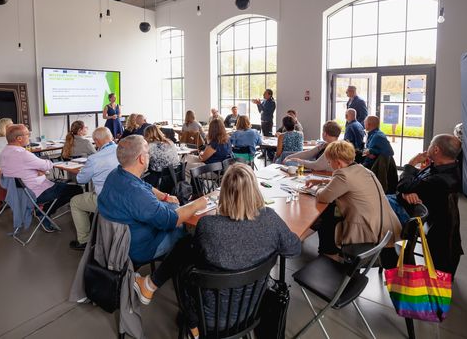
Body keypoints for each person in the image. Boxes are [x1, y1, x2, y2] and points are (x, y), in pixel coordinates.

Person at [134, 163, 301, 338]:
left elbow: (197, 260)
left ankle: (169, 302)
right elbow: (294, 249)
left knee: (184, 256)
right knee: (187, 252)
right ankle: (152, 286)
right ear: (255, 190)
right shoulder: (270, 219)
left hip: (208, 318)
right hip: (252, 310)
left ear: (224, 193)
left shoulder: (208, 225)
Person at [98, 135, 207, 265]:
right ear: (142, 159)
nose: (150, 156)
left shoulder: (116, 174)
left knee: (175, 210)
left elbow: (145, 186)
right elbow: (170, 220)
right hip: (141, 249)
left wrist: (165, 196)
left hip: (117, 242)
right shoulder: (136, 194)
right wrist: (197, 204)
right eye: (148, 153)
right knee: (188, 232)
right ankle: (169, 276)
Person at [305, 141, 401, 262]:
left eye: (329, 162)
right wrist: (320, 181)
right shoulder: (363, 169)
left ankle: (329, 253)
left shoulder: (343, 176)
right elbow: (343, 183)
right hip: (386, 227)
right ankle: (325, 248)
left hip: (369, 232)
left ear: (338, 162)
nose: (329, 164)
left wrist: (318, 188)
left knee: (328, 213)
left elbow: (323, 197)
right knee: (331, 211)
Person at [386, 134, 462, 275]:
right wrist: (407, 191)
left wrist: (412, 162)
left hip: (411, 217)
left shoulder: (441, 180)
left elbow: (402, 185)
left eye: (430, 145)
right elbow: (407, 186)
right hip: (408, 206)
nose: (428, 148)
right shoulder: (444, 166)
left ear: (436, 150)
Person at [0, 124, 83, 232]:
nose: (29, 137)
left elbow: (23, 169)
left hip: (18, 193)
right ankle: (44, 212)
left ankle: (42, 210)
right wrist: (39, 170)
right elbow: (47, 165)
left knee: (57, 184)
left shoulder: (4, 152)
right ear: (19, 138)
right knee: (77, 189)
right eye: (27, 134)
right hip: (35, 192)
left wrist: (36, 170)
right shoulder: (22, 154)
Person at [68, 127, 119, 250]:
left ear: (96, 141)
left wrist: (83, 171)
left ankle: (84, 240)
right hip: (123, 196)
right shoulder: (123, 150)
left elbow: (81, 180)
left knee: (75, 202)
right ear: (111, 136)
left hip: (105, 200)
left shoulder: (95, 159)